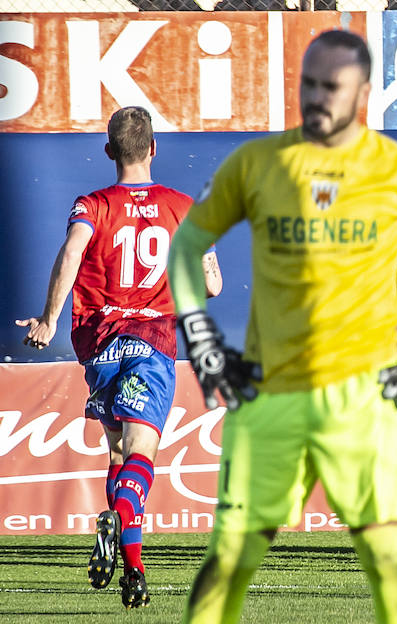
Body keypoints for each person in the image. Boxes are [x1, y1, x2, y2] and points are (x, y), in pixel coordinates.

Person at [165, 30, 397, 623]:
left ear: (363, 93)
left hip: (363, 394)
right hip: (276, 392)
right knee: (231, 554)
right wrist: (198, 333)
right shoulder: (257, 164)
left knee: (390, 564)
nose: (319, 96)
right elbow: (189, 241)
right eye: (309, 83)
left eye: (334, 85)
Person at [15, 106, 222, 609]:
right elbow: (213, 283)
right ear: (153, 149)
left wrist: (47, 319)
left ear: (109, 151)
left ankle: (125, 548)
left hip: (103, 346)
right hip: (151, 345)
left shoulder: (92, 205)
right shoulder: (182, 207)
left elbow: (70, 253)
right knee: (140, 457)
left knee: (115, 455)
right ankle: (129, 554)